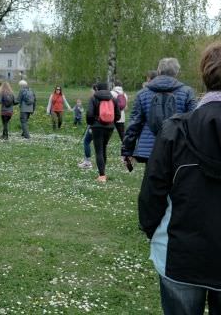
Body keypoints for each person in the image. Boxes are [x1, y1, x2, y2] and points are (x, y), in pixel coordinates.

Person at [138, 43, 221, 315]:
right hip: (180, 254)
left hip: (180, 255)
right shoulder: (175, 129)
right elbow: (153, 194)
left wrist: (154, 233)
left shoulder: (175, 130)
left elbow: (151, 195)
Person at [122, 58, 197, 164]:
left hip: (149, 149)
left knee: (152, 178)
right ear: (177, 72)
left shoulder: (142, 93)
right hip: (177, 146)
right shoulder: (187, 92)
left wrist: (127, 151)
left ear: (158, 71)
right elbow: (194, 121)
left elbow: (134, 123)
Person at [86, 82, 120, 182]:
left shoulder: (93, 98)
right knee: (104, 147)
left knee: (99, 150)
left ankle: (102, 175)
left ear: (97, 89)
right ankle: (103, 173)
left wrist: (91, 123)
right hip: (109, 127)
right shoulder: (113, 99)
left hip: (97, 126)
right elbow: (117, 114)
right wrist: (112, 122)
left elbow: (89, 113)